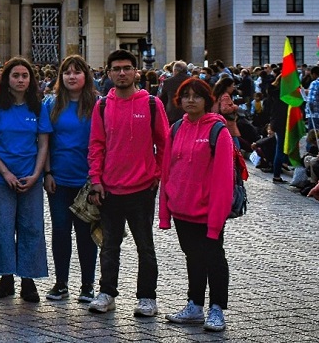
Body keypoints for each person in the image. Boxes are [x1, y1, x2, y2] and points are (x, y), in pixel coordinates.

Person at [87, 49, 168, 317]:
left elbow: (164, 144)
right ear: (108, 73)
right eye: (116, 68)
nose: (122, 73)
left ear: (136, 71)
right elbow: (96, 145)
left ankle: (147, 297)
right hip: (110, 189)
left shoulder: (151, 104)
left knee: (145, 247)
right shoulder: (102, 106)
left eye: (127, 68)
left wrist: (156, 175)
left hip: (142, 189)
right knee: (109, 246)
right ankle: (107, 292)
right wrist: (96, 180)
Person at [159, 77, 233, 332]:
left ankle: (217, 309)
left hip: (208, 211)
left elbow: (224, 179)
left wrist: (216, 219)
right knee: (193, 257)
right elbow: (167, 170)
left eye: (197, 96)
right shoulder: (176, 127)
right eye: (186, 96)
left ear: (207, 100)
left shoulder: (218, 131)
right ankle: (195, 305)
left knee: (214, 258)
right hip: (182, 210)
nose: (191, 100)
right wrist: (165, 211)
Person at [0, 56, 51, 303]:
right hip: (1, 179)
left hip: (30, 177)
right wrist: (5, 173)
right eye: (16, 75)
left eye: (25, 76)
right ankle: (7, 276)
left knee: (31, 227)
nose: (21, 80)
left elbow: (43, 144)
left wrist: (36, 174)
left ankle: (28, 279)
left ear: (31, 79)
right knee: (4, 227)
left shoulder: (38, 107)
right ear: (7, 79)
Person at [42, 55, 98, 303]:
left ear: (85, 76)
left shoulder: (98, 105)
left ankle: (87, 285)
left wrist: (97, 178)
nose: (71, 76)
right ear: (60, 77)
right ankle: (61, 283)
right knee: (61, 232)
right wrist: (47, 172)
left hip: (86, 181)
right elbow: (44, 141)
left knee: (86, 234)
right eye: (67, 72)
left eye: (77, 72)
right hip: (59, 180)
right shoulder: (51, 105)